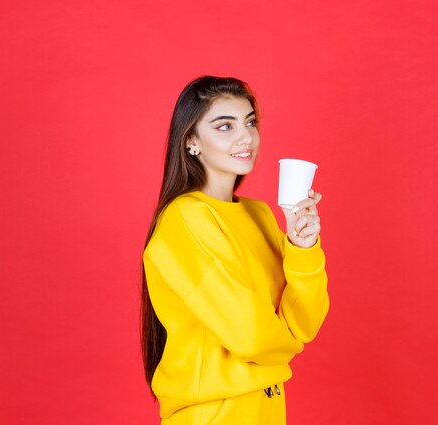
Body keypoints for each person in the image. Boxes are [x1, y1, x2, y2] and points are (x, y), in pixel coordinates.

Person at [141, 76, 329, 424]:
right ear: (192, 141)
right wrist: (287, 346)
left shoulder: (259, 215)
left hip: (268, 408)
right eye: (225, 126)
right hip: (216, 413)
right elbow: (253, 337)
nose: (246, 137)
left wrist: (302, 247)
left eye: (250, 122)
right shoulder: (185, 218)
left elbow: (305, 323)